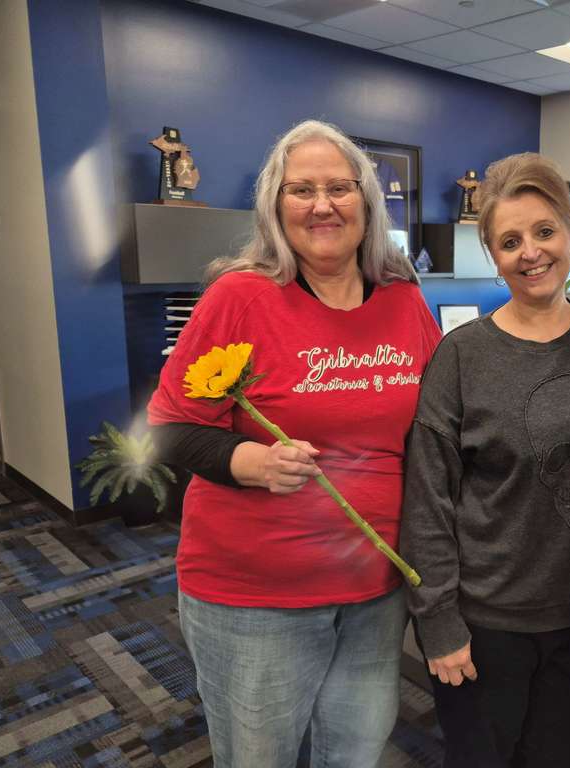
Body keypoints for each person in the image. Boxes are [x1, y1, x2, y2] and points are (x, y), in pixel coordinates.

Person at [147, 119, 442, 768]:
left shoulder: (403, 299)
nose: (321, 204)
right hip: (256, 596)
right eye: (300, 189)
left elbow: (436, 424)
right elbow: (168, 426)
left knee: (356, 752)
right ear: (275, 207)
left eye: (339, 187)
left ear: (366, 203)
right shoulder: (242, 296)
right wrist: (241, 460)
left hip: (375, 588)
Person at [400, 152, 570, 768]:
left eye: (544, 232)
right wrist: (438, 624)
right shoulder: (461, 356)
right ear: (492, 254)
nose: (531, 252)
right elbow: (428, 498)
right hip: (487, 622)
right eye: (510, 241)